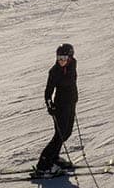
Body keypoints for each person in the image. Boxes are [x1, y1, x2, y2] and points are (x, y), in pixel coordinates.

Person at [33, 43, 78, 178]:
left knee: (67, 132)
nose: (61, 61)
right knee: (59, 135)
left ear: (70, 57)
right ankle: (43, 165)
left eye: (63, 57)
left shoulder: (72, 65)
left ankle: (54, 157)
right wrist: (50, 105)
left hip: (71, 104)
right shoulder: (54, 72)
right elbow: (48, 92)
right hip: (60, 107)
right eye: (59, 58)